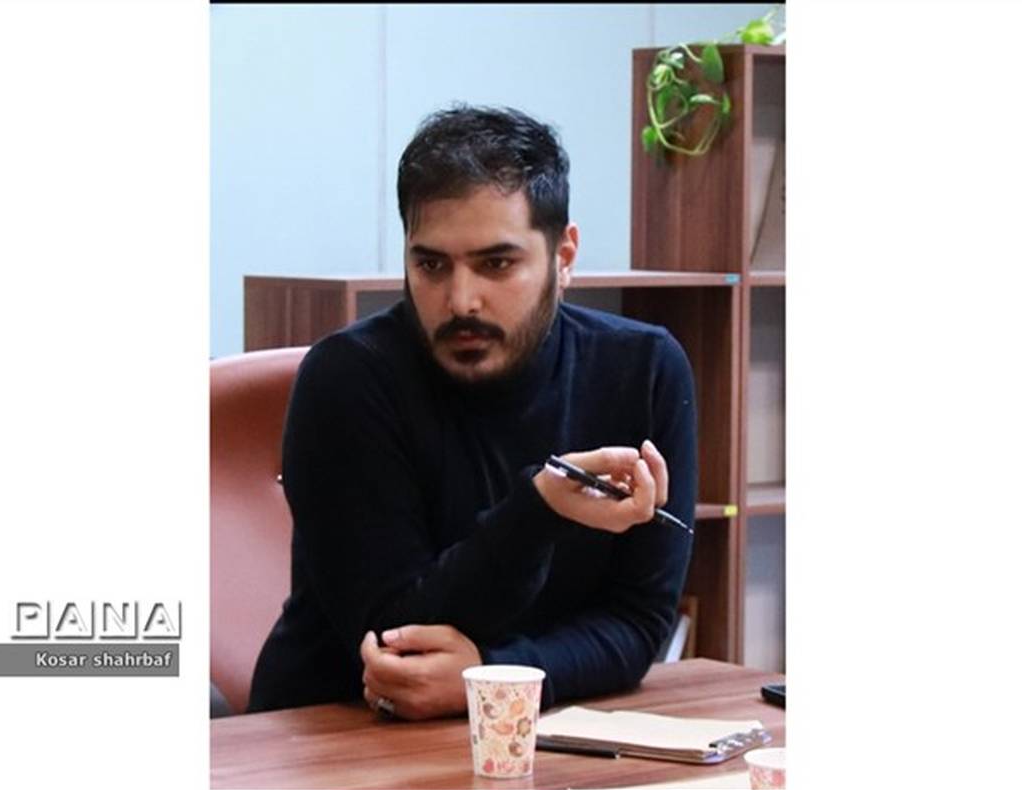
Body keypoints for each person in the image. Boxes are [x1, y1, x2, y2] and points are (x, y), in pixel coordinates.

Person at [247, 104, 696, 720]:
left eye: (496, 264)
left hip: (531, 734)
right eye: (431, 265)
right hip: (336, 730)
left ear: (564, 256)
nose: (461, 301)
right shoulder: (348, 379)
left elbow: (638, 621)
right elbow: (397, 641)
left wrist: (493, 676)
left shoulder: (644, 371)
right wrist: (537, 512)